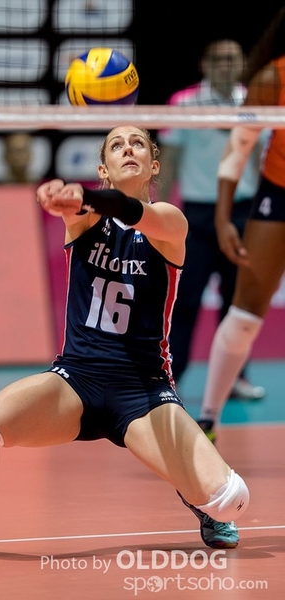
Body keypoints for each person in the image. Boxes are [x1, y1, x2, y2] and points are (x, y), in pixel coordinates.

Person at [0, 126, 249, 558]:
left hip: (144, 392)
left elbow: (129, 211)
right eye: (117, 145)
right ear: (104, 169)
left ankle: (200, 498)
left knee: (232, 500)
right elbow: (83, 209)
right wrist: (64, 199)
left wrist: (86, 197)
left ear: (154, 165)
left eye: (138, 143)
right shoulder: (86, 218)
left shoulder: (170, 220)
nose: (128, 148)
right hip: (75, 381)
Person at [157, 39, 266, 406]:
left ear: (241, 64)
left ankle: (236, 379)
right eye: (218, 59)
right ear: (205, 64)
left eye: (232, 59)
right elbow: (170, 160)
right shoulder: (183, 103)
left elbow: (258, 159)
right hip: (198, 216)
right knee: (184, 302)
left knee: (238, 304)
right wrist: (157, 210)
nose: (225, 65)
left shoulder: (253, 101)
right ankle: (169, 379)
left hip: (242, 212)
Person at [197, 8, 285, 441]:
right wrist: (222, 216)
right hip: (278, 194)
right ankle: (209, 417)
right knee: (246, 313)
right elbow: (237, 149)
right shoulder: (273, 78)